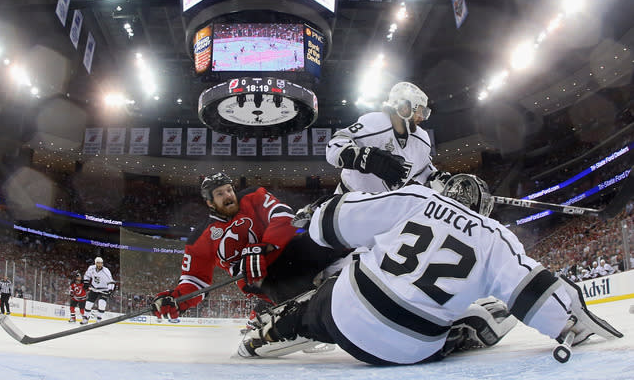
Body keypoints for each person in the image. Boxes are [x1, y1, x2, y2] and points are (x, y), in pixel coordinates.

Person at [239, 182, 623, 365]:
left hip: (346, 316)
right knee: (450, 320)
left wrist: (316, 214)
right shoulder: (495, 237)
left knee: (328, 298)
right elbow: (535, 293)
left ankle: (283, 326)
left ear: (446, 190)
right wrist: (573, 321)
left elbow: (333, 225)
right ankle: (456, 331)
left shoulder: (419, 198)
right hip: (411, 348)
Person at [151, 172, 345, 325]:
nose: (228, 196)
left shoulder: (253, 196)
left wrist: (261, 248)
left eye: (229, 190)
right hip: (264, 279)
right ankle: (272, 312)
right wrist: (176, 299)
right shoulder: (199, 238)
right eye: (220, 193)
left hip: (290, 251)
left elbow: (284, 216)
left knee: (335, 238)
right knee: (309, 309)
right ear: (210, 203)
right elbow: (195, 280)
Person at [326, 81, 450, 194]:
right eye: (420, 111)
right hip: (349, 199)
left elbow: (423, 171)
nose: (422, 117)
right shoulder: (375, 122)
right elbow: (334, 146)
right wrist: (366, 157)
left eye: (425, 113)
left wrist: (442, 181)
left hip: (385, 206)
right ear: (404, 108)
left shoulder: (422, 138)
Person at [81, 257, 115, 325]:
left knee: (102, 303)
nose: (100, 265)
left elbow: (110, 281)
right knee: (88, 303)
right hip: (94, 288)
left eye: (101, 263)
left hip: (104, 289)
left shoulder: (106, 271)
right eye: (98, 263)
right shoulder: (91, 268)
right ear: (95, 263)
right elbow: (87, 275)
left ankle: (99, 320)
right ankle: (85, 318)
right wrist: (86, 283)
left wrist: (110, 290)